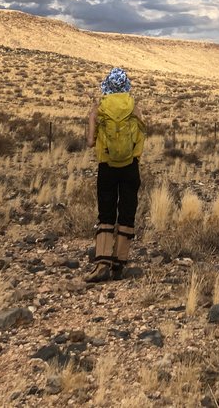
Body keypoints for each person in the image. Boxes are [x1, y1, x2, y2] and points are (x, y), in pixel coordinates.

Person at [86, 67, 146, 282]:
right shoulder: (135, 107)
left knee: (106, 213)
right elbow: (143, 134)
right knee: (127, 211)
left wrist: (92, 118)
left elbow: (90, 141)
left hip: (107, 165)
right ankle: (119, 264)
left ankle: (102, 263)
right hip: (131, 166)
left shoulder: (100, 108)